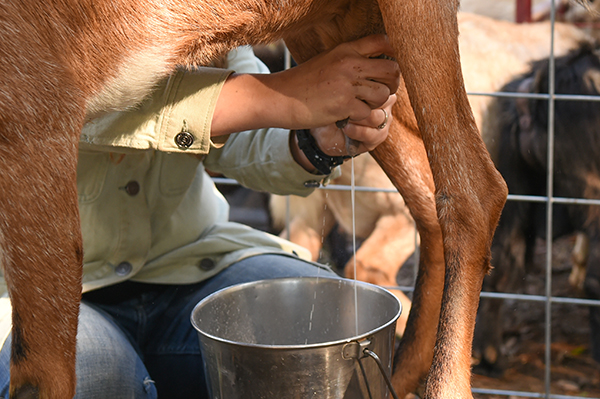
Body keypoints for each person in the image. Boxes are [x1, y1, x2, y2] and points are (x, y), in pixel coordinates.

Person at [0, 35, 399, 398]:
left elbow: (243, 134)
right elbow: (57, 94)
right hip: (34, 289)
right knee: (95, 376)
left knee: (331, 328)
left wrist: (311, 141)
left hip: (193, 261)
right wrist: (279, 96)